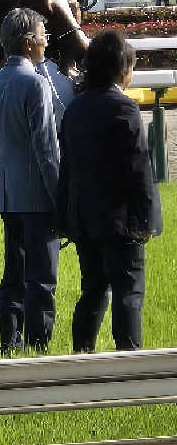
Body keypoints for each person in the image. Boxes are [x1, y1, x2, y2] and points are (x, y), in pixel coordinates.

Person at [58, 30, 162, 351]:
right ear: (121, 69)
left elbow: (67, 168)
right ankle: (128, 359)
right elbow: (139, 170)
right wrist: (147, 220)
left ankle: (81, 354)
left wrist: (65, 215)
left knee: (92, 290)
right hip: (120, 221)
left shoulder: (75, 108)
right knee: (128, 292)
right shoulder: (125, 109)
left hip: (84, 218)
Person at [0, 8, 61, 352]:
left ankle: (9, 340)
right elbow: (47, 149)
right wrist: (59, 196)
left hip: (10, 193)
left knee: (13, 273)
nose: (47, 42)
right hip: (38, 196)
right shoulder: (35, 83)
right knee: (41, 277)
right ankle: (38, 345)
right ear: (29, 42)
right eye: (43, 36)